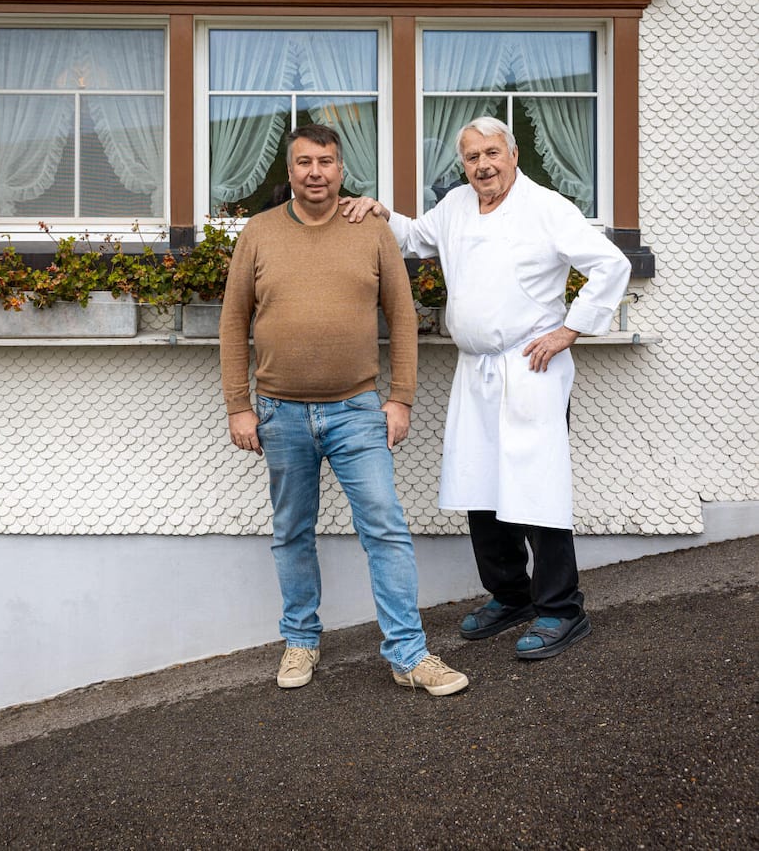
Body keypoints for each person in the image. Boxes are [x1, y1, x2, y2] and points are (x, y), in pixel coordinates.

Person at [342, 116, 631, 661]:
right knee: (482, 486)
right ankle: (511, 596)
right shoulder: (454, 205)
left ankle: (561, 610)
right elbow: (416, 236)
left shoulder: (546, 206)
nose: (483, 165)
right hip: (475, 371)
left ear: (514, 154)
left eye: (492, 153)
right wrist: (379, 210)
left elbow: (609, 264)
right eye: (472, 157)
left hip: (532, 369)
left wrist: (569, 330)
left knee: (535, 488)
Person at [220, 123, 468, 695]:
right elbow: (233, 322)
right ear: (288, 171)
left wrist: (400, 397)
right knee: (291, 531)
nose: (315, 172)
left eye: (325, 162)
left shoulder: (371, 229)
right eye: (304, 162)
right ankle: (301, 641)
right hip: (279, 413)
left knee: (385, 527)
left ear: (340, 169)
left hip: (357, 410)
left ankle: (409, 655)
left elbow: (402, 317)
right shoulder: (257, 233)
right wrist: (239, 406)